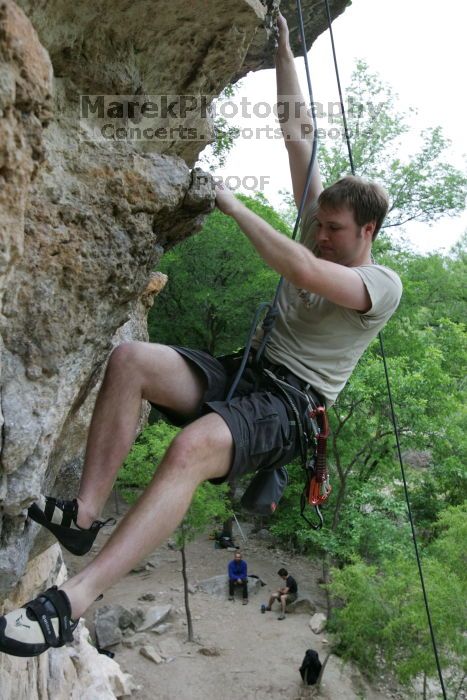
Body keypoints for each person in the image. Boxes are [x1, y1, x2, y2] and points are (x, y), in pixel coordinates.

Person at [0, 13, 402, 657]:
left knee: (190, 447)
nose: (320, 234)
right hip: (250, 368)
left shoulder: (382, 284)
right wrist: (283, 50)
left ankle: (73, 601)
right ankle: (82, 516)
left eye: (334, 229)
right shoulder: (325, 225)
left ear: (368, 233)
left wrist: (233, 202)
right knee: (131, 359)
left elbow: (299, 268)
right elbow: (298, 130)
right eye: (319, 222)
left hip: (292, 407)